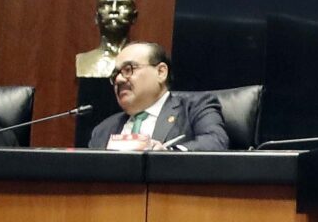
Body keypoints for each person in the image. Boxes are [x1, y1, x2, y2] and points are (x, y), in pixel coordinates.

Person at [86, 42, 229, 149]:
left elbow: (216, 141)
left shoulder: (194, 108)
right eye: (115, 74)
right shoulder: (103, 129)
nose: (119, 79)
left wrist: (168, 154)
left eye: (128, 69)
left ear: (161, 72)